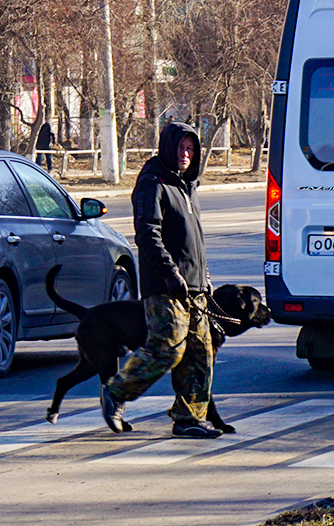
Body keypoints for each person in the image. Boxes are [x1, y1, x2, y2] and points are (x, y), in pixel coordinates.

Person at [101, 121, 218, 438]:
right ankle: (117, 392)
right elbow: (148, 234)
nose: (186, 154)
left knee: (200, 353)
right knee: (167, 347)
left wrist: (203, 279)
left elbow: (194, 240)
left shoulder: (186, 186)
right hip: (165, 286)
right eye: (181, 147)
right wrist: (170, 273)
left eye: (191, 148)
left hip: (194, 287)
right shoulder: (153, 184)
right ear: (167, 147)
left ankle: (189, 417)